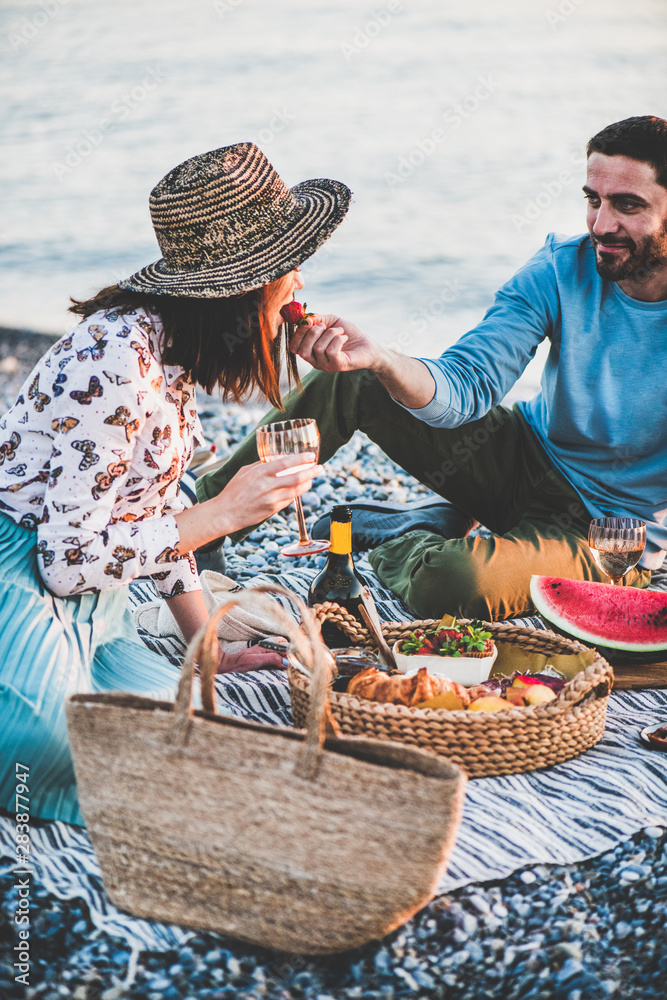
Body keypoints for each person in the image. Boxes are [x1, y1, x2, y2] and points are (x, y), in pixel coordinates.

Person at [0, 142, 351, 825]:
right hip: (21, 573)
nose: (299, 281)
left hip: (86, 599)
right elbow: (65, 562)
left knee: (189, 727)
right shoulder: (117, 360)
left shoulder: (172, 350)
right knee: (51, 745)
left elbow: (153, 513)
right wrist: (222, 513)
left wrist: (209, 648)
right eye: (287, 265)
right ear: (241, 284)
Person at [196, 116, 667, 622]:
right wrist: (378, 357)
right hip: (522, 458)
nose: (600, 224)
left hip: (610, 533)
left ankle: (404, 539)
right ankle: (202, 523)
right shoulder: (559, 267)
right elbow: (468, 384)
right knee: (357, 377)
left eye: (628, 205)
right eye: (593, 199)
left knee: (454, 582)